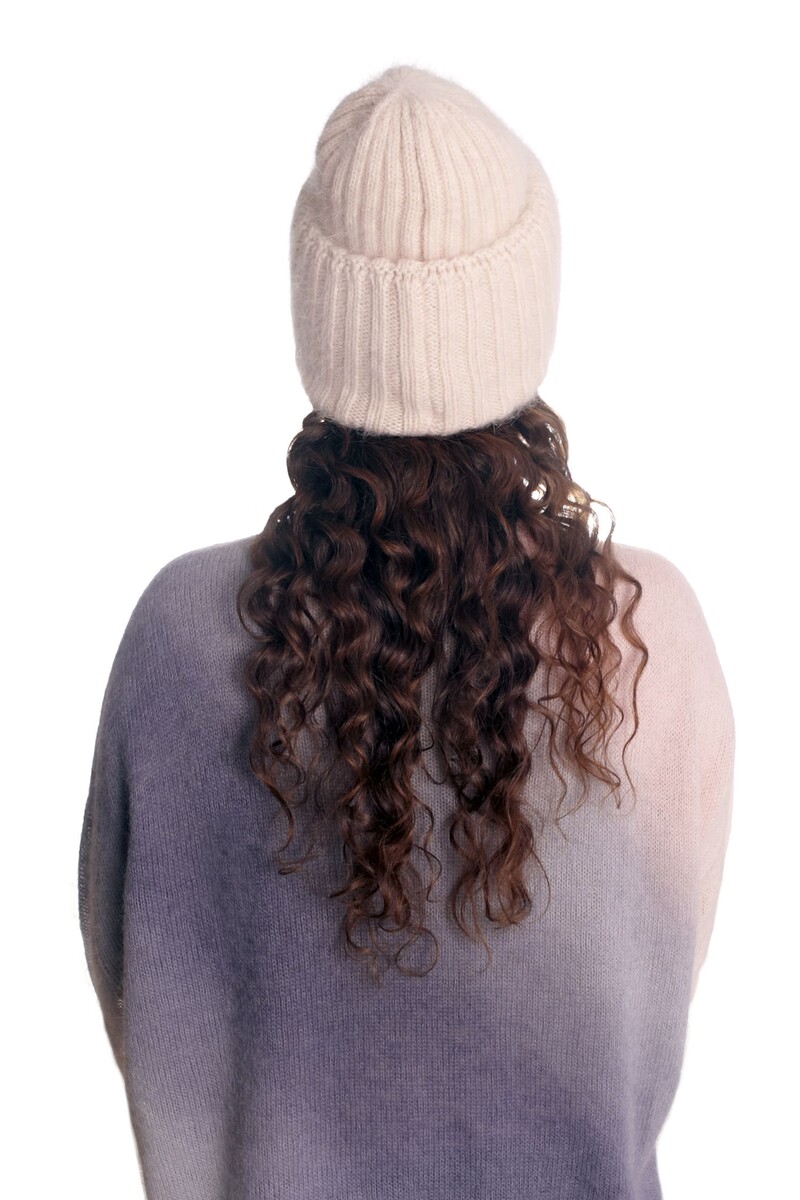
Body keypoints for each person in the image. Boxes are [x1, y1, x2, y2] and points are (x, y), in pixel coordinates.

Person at [77, 63, 735, 1200]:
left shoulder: (181, 639)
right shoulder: (649, 640)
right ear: (524, 310)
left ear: (319, 320)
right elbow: (659, 993)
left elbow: (128, 977)